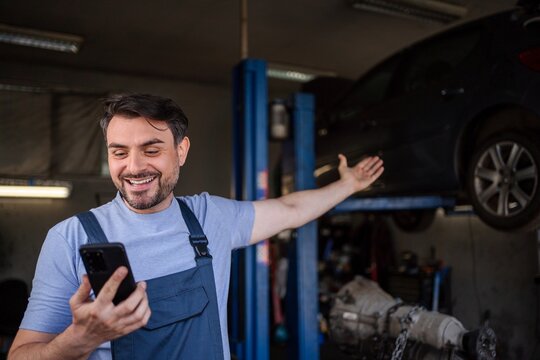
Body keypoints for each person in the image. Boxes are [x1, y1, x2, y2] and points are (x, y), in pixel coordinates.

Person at [8, 93, 383, 360]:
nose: (134, 166)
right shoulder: (69, 238)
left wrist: (348, 184)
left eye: (151, 149)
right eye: (119, 152)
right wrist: (80, 338)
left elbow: (290, 207)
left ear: (181, 151)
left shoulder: (210, 218)